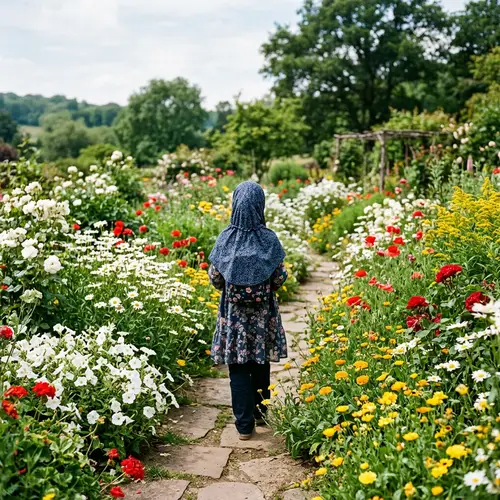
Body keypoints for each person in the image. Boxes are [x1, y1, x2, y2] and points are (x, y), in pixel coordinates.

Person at [208, 181, 288, 440]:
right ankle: (261, 414)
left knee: (238, 368)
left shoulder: (225, 238)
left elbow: (216, 279)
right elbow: (278, 278)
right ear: (260, 205)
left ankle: (244, 426)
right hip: (262, 316)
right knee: (261, 362)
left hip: (234, 318)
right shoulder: (269, 239)